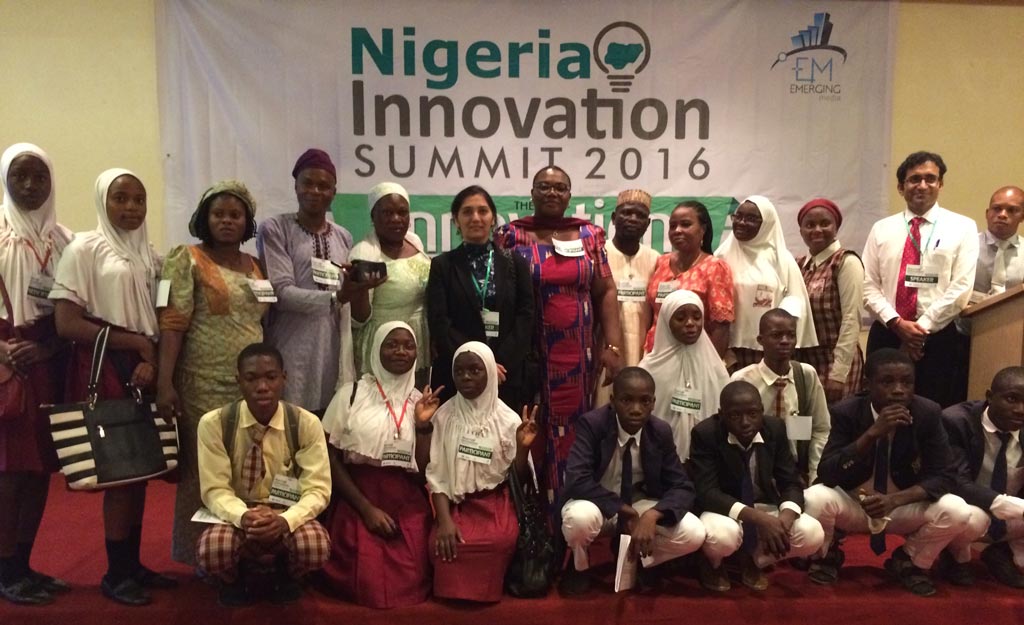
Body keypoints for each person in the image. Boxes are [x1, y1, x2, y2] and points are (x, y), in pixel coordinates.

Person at [50, 169, 175, 605]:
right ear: (102, 201)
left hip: (143, 365)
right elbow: (66, 324)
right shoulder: (84, 248)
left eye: (139, 199)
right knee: (121, 473)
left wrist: (152, 359)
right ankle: (115, 573)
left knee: (141, 471)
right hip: (106, 365)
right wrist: (135, 345)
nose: (131, 207)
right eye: (120, 198)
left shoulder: (151, 256)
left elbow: (159, 318)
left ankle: (133, 565)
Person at [493, 166, 624, 510]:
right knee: (527, 426)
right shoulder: (511, 235)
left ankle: (570, 512)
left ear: (569, 195)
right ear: (532, 193)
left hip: (576, 358)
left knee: (573, 429)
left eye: (560, 187)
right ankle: (529, 516)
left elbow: (606, 290)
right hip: (527, 354)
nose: (552, 193)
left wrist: (612, 346)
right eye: (544, 187)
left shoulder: (588, 235)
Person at [155, 180, 268, 567]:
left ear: (247, 222)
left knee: (247, 467)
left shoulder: (255, 265)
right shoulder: (186, 259)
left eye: (235, 215)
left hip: (251, 387)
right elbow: (172, 324)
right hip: (202, 383)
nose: (227, 221)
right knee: (206, 469)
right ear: (205, 218)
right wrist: (164, 383)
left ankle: (244, 551)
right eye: (218, 214)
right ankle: (203, 555)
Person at [803, 348, 974, 596]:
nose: (898, 390)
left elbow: (945, 475)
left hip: (899, 505)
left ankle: (909, 561)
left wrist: (894, 500)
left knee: (957, 510)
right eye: (887, 382)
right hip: (855, 503)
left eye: (907, 382)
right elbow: (827, 472)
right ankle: (826, 555)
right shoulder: (846, 411)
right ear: (867, 385)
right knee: (814, 497)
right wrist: (871, 435)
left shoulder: (927, 412)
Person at [195, 343, 332, 607]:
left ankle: (287, 572)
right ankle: (233, 578)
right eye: (251, 378)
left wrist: (285, 521)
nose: (262, 387)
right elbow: (215, 489)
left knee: (315, 547)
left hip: (286, 510)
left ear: (284, 378)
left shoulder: (305, 423)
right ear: (238, 381)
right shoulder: (215, 423)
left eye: (271, 377)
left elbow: (318, 489)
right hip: (239, 511)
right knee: (212, 551)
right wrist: (244, 517)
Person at [319, 321, 441, 608]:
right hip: (357, 494)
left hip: (406, 497)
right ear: (376, 349)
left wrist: (422, 426)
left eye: (408, 346)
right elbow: (330, 456)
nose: (400, 351)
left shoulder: (421, 401)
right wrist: (366, 509)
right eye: (392, 344)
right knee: (365, 576)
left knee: (410, 575)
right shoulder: (351, 394)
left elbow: (423, 473)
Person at [558, 368, 705, 595]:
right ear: (612, 400)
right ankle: (579, 565)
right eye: (627, 400)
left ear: (653, 403)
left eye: (644, 401)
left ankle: (641, 558)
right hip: (598, 502)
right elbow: (577, 479)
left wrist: (653, 515)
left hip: (639, 504)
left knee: (694, 533)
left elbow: (682, 486)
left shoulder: (660, 431)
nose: (636, 409)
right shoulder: (593, 424)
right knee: (578, 520)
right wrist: (623, 510)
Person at [0, 143, 72, 605]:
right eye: (19, 176)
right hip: (8, 363)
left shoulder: (65, 239)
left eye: (39, 177)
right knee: (9, 471)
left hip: (50, 358)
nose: (29, 186)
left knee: (41, 468)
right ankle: (5, 569)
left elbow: (77, 305)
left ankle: (24, 564)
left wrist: (48, 347)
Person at [258, 149, 377, 415]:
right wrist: (337, 297)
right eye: (308, 183)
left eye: (323, 186)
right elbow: (281, 292)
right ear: (296, 186)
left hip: (333, 347)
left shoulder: (343, 236)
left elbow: (350, 303)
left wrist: (359, 288)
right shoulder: (275, 229)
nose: (315, 191)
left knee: (328, 422)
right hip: (291, 345)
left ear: (334, 192)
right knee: (290, 420)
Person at [862, 151, 979, 408]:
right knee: (881, 408)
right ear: (901, 187)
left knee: (933, 409)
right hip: (887, 333)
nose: (922, 185)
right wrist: (897, 324)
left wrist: (918, 330)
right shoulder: (881, 229)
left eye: (930, 179)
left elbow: (961, 287)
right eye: (915, 179)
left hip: (937, 338)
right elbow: (868, 285)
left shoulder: (963, 227)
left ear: (940, 184)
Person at [427, 342, 538, 602]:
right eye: (459, 371)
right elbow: (437, 475)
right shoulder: (444, 416)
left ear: (489, 371)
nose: (466, 377)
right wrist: (444, 521)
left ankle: (486, 594)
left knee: (497, 541)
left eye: (474, 370)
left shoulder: (508, 419)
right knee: (439, 542)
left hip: (496, 504)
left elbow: (520, 479)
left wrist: (522, 449)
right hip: (457, 505)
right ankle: (453, 596)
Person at [691, 381, 825, 592]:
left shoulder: (775, 428)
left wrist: (783, 521)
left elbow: (790, 481)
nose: (745, 422)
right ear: (721, 414)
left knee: (812, 533)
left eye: (753, 414)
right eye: (735, 415)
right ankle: (712, 563)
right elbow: (707, 492)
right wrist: (760, 519)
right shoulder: (705, 433)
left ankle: (752, 560)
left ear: (762, 411)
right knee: (723, 536)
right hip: (722, 509)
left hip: (761, 502)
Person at [426, 185, 534, 409]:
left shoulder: (516, 263)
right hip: (459, 374)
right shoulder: (442, 266)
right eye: (467, 212)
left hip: (506, 373)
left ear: (493, 218)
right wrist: (477, 362)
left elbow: (526, 316)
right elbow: (440, 322)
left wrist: (497, 363)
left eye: (482, 211)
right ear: (456, 221)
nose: (475, 218)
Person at [941, 366, 1024, 588]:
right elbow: (955, 482)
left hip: (1011, 509)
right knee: (964, 514)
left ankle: (1000, 553)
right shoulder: (955, 421)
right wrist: (1012, 505)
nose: (1020, 410)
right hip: (965, 504)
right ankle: (954, 556)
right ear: (989, 396)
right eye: (1012, 399)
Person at [714, 195, 816, 371]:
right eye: (738, 216)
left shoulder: (780, 259)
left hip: (770, 353)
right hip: (728, 352)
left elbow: (796, 302)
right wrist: (725, 354)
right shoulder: (722, 256)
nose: (742, 222)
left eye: (751, 219)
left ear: (767, 224)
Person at [730, 309, 830, 484]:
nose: (785, 341)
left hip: (797, 469)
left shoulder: (805, 375)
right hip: (756, 471)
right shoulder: (743, 380)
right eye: (776, 335)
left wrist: (815, 474)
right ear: (760, 340)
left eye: (791, 335)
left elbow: (820, 428)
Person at [350, 182, 431, 383]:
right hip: (387, 346)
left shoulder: (414, 241)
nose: (396, 219)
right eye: (387, 213)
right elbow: (358, 319)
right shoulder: (364, 253)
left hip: (417, 342)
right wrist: (360, 290)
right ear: (373, 216)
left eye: (402, 212)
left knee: (415, 399)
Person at [637, 290, 728, 462]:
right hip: (660, 458)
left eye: (697, 317)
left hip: (707, 460)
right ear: (666, 321)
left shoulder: (715, 367)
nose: (690, 323)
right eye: (680, 318)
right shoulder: (649, 369)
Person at [794, 198, 865, 402]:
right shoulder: (799, 265)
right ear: (801, 231)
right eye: (810, 225)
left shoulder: (846, 262)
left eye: (824, 223)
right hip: (806, 362)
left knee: (836, 419)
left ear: (836, 227)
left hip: (838, 362)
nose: (817, 230)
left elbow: (851, 319)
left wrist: (839, 373)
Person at [595, 189, 660, 407]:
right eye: (626, 213)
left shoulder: (655, 259)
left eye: (640, 215)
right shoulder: (598, 254)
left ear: (648, 224)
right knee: (604, 404)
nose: (633, 219)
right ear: (614, 218)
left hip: (643, 350)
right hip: (604, 346)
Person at [643, 200, 733, 356]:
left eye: (685, 224)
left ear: (703, 229)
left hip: (694, 355)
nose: (677, 230)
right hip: (655, 354)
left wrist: (711, 364)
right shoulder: (661, 262)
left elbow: (721, 327)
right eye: (672, 226)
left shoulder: (715, 267)